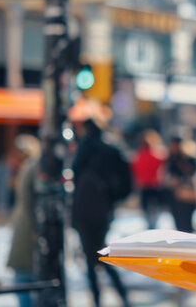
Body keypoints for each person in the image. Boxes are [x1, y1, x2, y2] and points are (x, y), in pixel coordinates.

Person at [70, 119, 130, 307]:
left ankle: (99, 298)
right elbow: (124, 183)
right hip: (103, 209)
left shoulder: (85, 149)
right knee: (98, 252)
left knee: (93, 255)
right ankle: (120, 294)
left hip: (84, 209)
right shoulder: (111, 150)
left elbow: (74, 174)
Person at [5, 134, 42, 307]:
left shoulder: (30, 168)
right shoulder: (29, 168)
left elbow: (28, 203)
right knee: (25, 276)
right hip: (25, 227)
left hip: (27, 229)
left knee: (23, 276)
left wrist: (34, 228)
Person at [131, 129, 167, 229]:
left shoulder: (138, 156)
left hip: (144, 186)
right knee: (155, 210)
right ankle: (153, 226)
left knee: (147, 210)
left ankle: (151, 226)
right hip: (155, 186)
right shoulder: (157, 155)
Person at [164, 136, 196, 232]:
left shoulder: (188, 159)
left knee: (187, 225)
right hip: (175, 197)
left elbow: (194, 174)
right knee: (179, 225)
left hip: (188, 196)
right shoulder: (171, 159)